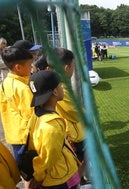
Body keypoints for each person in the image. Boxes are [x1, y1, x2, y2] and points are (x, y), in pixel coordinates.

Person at [34, 48, 89, 185]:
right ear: (67, 67)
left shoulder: (47, 83)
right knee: (77, 165)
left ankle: (78, 180)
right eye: (73, 66)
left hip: (68, 138)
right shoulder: (60, 89)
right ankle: (77, 181)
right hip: (73, 138)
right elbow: (78, 114)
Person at [27, 70, 81, 188]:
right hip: (59, 178)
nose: (62, 88)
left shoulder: (36, 114)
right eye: (60, 85)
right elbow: (47, 158)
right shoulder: (52, 126)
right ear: (55, 92)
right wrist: (38, 178)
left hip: (59, 173)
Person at [0, 46, 34, 188]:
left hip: (14, 136)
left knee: (25, 172)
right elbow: (31, 115)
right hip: (26, 136)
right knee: (32, 174)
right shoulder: (22, 88)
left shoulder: (5, 83)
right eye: (29, 65)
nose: (31, 68)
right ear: (18, 67)